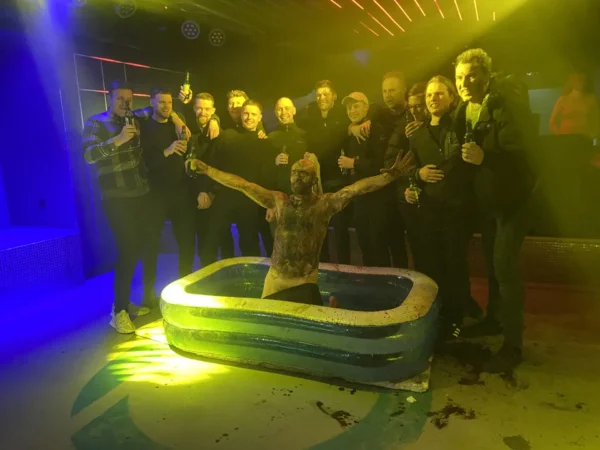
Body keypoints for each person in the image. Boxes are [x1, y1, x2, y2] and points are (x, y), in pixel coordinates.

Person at [186, 151, 415, 305]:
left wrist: (391, 176)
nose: (296, 177)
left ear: (313, 180)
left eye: (303, 174)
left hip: (304, 280)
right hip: (276, 277)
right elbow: (241, 184)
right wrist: (207, 170)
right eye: (294, 173)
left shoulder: (323, 204)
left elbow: (357, 189)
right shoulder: (279, 201)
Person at [453, 48, 535, 372]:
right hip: (489, 201)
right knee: (492, 263)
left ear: (487, 75)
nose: (465, 82)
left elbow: (523, 157)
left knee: (504, 266)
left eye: (471, 75)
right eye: (460, 77)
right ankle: (494, 321)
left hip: (514, 202)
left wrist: (486, 157)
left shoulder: (504, 106)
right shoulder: (465, 110)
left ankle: (513, 344)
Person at [82, 80, 185, 333]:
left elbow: (161, 108)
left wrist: (178, 120)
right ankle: (118, 311)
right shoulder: (96, 122)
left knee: (140, 247)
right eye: (120, 99)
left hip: (142, 194)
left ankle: (127, 303)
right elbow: (88, 154)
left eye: (128, 100)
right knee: (128, 250)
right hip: (117, 198)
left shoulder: (135, 116)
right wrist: (116, 140)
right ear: (110, 98)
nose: (125, 104)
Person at [404, 76, 474, 340]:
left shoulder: (459, 126)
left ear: (451, 98)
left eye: (439, 94)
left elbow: (461, 168)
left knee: (454, 266)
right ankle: (434, 315)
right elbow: (408, 168)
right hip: (428, 212)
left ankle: (455, 318)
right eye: (430, 95)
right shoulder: (417, 133)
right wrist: (416, 178)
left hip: (455, 211)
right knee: (430, 266)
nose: (433, 98)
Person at [201, 99, 274, 265]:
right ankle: (205, 281)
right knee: (211, 243)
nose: (249, 117)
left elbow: (268, 177)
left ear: (260, 117)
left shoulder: (265, 143)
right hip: (224, 197)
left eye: (253, 114)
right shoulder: (227, 135)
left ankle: (250, 283)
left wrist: (270, 203)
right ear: (241, 114)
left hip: (249, 201)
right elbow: (212, 165)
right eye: (246, 113)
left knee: (249, 244)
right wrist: (205, 190)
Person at [140, 87, 196, 302]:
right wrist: (168, 150)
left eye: (169, 103)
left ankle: (187, 286)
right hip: (155, 194)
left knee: (186, 241)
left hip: (180, 191)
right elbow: (144, 165)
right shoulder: (144, 127)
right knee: (151, 243)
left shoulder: (178, 125)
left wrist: (177, 121)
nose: (166, 106)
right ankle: (148, 293)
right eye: (161, 102)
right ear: (152, 103)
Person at [340, 92, 392, 267]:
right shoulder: (351, 130)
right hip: (359, 198)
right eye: (349, 107)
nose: (352, 110)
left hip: (377, 197)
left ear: (366, 107)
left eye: (356, 106)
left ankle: (383, 288)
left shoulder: (376, 128)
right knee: (365, 245)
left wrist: (353, 163)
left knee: (378, 246)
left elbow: (381, 164)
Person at [186, 92, 234, 265]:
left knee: (225, 241)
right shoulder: (189, 134)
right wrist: (200, 192)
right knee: (205, 246)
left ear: (213, 111)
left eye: (207, 109)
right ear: (194, 109)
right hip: (197, 196)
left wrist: (211, 192)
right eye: (199, 108)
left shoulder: (222, 135)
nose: (202, 112)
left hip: (219, 196)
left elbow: (224, 167)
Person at [549, 72, 599, 138]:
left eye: (582, 80)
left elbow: (597, 120)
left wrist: (594, 138)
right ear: (571, 82)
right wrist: (560, 137)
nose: (580, 83)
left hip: (585, 138)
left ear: (586, 82)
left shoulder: (591, 99)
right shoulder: (563, 100)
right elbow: (552, 122)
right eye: (577, 80)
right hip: (567, 138)